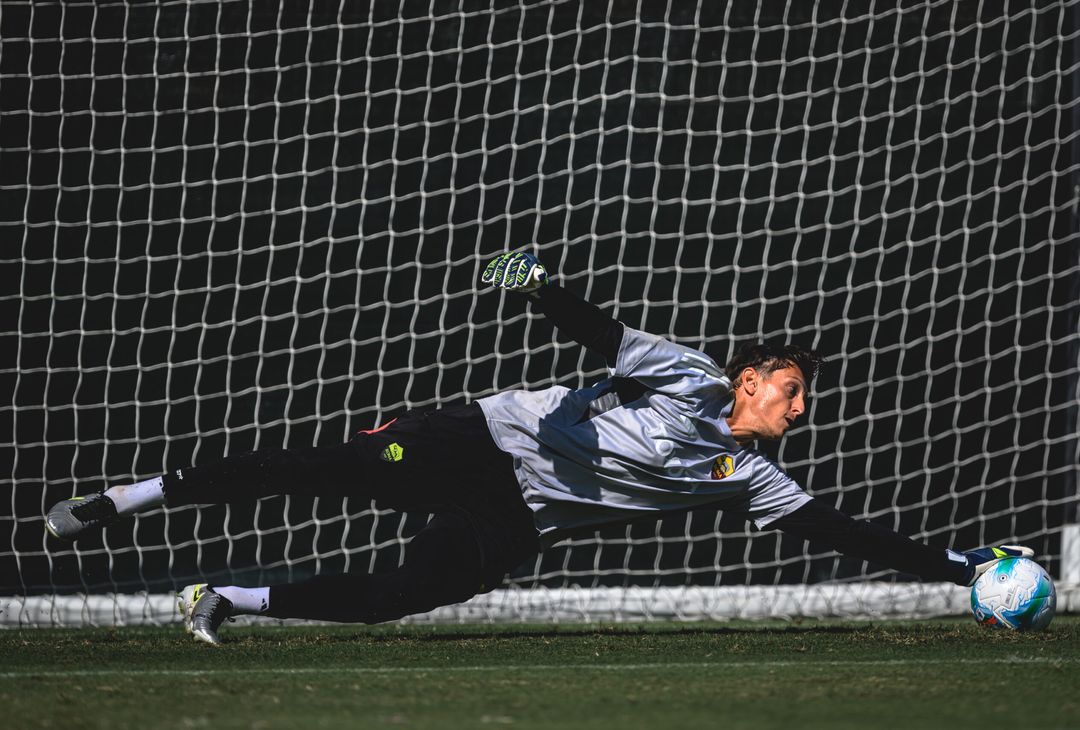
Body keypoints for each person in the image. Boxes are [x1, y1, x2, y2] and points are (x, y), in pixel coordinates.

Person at [45, 251, 1031, 644]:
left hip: (520, 516)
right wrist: (534, 285)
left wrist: (961, 568)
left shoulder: (750, 477)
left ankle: (225, 599)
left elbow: (848, 534)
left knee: (400, 597)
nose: (798, 406)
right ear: (751, 376)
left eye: (801, 398)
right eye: (792, 388)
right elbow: (598, 334)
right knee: (328, 469)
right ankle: (136, 496)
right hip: (485, 438)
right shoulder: (685, 372)